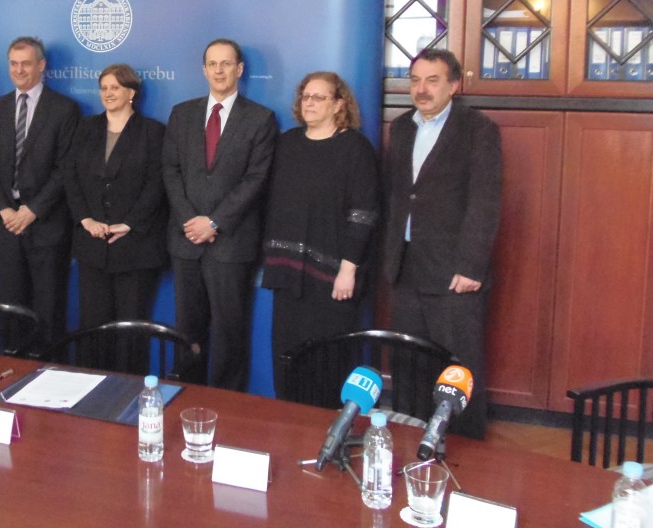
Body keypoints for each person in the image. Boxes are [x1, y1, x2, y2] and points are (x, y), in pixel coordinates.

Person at [380, 48, 502, 439]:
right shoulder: (401, 128)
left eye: (432, 81)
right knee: (409, 360)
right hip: (406, 264)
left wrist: (471, 266)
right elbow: (397, 197)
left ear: (454, 85)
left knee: (458, 367)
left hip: (454, 270)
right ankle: (410, 439)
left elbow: (485, 201)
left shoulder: (477, 129)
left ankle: (466, 447)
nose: (421, 89)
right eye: (415, 80)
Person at [162, 38, 277, 391]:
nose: (219, 70)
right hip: (186, 242)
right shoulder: (182, 114)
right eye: (212, 63)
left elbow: (256, 179)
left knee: (230, 332)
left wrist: (214, 222)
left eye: (226, 63)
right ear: (204, 69)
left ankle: (228, 404)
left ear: (239, 69)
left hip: (231, 243)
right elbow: (171, 170)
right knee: (188, 330)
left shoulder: (260, 119)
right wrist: (190, 221)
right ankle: (188, 393)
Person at [261, 71, 379, 395]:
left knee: (327, 363)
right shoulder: (286, 144)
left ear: (339, 104)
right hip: (287, 278)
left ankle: (326, 437)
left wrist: (348, 269)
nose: (309, 103)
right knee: (286, 359)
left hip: (332, 281)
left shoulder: (355, 148)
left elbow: (363, 214)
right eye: (305, 96)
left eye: (319, 97)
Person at [0, 36, 80, 345]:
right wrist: (5, 210)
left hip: (47, 226)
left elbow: (66, 169)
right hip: (7, 224)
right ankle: (12, 374)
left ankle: (47, 377)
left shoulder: (64, 109)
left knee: (48, 311)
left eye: (26, 63)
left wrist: (33, 209)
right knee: (10, 309)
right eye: (14, 63)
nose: (19, 69)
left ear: (41, 65)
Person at [63, 64, 167, 330]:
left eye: (115, 88)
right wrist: (85, 219)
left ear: (131, 92)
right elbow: (70, 176)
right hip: (92, 245)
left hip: (135, 247)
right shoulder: (85, 128)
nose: (108, 94)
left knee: (129, 330)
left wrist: (130, 223)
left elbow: (156, 185)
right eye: (104, 88)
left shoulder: (153, 132)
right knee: (92, 327)